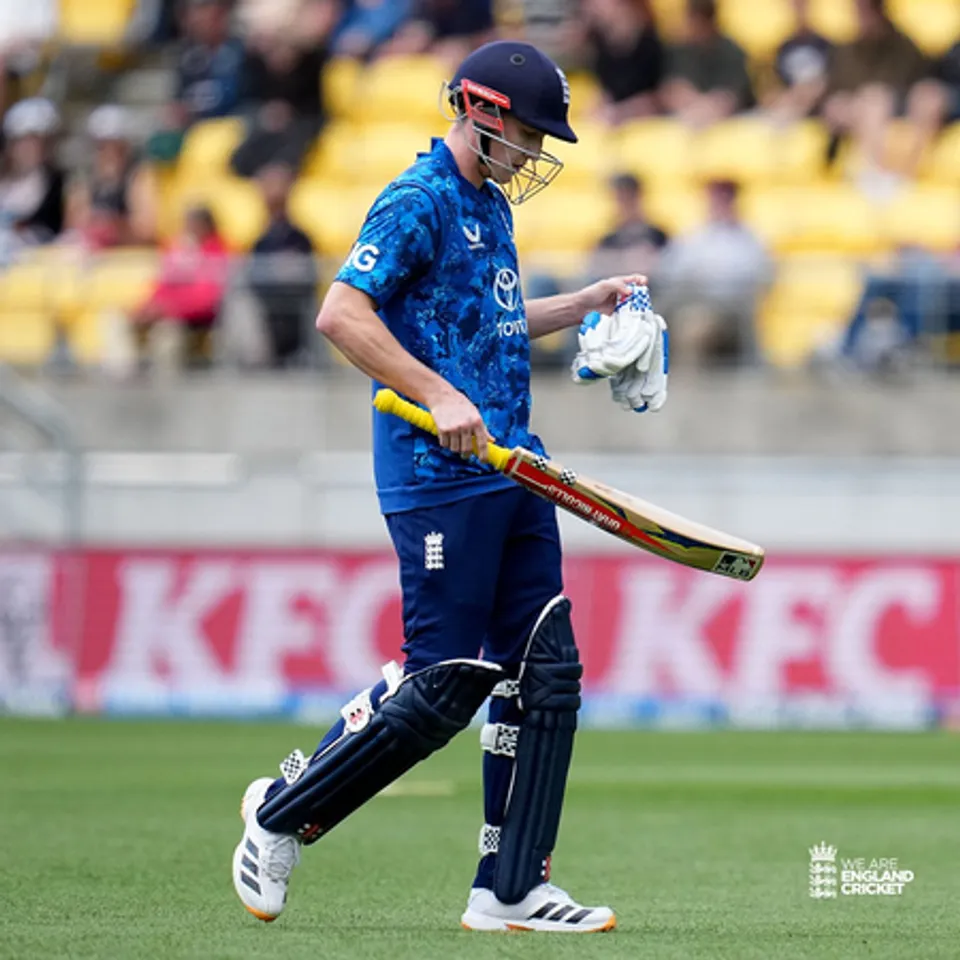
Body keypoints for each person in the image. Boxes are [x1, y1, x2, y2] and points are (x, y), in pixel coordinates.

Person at [231, 39, 661, 932]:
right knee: (445, 682)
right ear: (484, 112)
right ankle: (279, 815)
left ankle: (511, 887)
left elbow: (494, 324)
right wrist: (437, 393)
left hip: (514, 466)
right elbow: (340, 313)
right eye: (532, 135)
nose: (537, 154)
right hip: (438, 475)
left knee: (546, 675)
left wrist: (584, 303)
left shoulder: (490, 206)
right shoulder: (417, 198)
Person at [822, 0, 939, 188]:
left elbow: (907, 82)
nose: (859, 18)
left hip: (896, 106)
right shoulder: (847, 50)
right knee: (862, 101)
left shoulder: (902, 45)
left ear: (879, 13)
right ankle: (870, 172)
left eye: (864, 12)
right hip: (856, 106)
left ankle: (891, 173)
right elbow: (836, 88)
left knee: (875, 99)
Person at [658, 178, 772, 367]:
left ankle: (687, 387)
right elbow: (670, 270)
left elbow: (757, 278)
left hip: (729, 309)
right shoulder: (696, 236)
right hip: (690, 300)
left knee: (693, 328)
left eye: (722, 200)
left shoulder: (749, 239)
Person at [660, 0, 753, 128]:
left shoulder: (731, 51)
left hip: (729, 120)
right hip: (688, 113)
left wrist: (706, 106)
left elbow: (731, 97)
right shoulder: (680, 50)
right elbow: (671, 89)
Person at [582, 0, 664, 127]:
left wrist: (623, 112)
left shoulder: (651, 43)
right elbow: (605, 92)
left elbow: (661, 95)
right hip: (615, 122)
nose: (592, 7)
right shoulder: (598, 46)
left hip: (649, 124)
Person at [763, 0, 832, 125]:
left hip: (819, 103)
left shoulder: (825, 45)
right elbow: (775, 86)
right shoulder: (784, 47)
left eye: (802, 5)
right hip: (791, 102)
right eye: (795, 6)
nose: (799, 12)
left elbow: (830, 80)